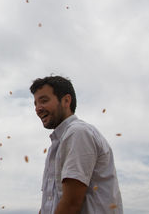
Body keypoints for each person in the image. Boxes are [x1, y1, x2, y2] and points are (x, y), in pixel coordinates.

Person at [30, 76, 123, 214]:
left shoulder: (78, 133)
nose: (38, 109)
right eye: (35, 104)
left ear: (66, 100)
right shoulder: (57, 145)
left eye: (44, 101)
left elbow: (71, 205)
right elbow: (51, 203)